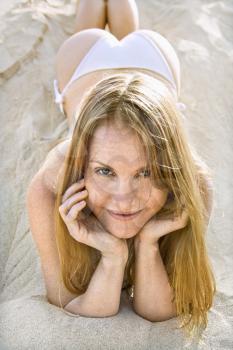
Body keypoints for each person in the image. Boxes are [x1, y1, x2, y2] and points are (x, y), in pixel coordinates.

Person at [26, 0, 216, 340]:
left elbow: (158, 311)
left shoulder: (195, 183)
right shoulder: (49, 186)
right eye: (104, 172)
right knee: (90, 30)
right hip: (89, 61)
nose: (125, 199)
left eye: (145, 173)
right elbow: (65, 300)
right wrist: (113, 257)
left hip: (153, 65)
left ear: (168, 164)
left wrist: (148, 244)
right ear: (82, 163)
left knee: (105, 24)